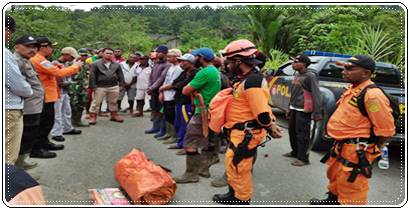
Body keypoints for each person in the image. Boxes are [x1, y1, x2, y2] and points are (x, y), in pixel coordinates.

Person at [310, 55, 395, 205]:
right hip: (342, 146)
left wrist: (372, 149)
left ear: (366, 73)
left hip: (357, 150)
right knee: (336, 177)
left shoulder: (372, 95)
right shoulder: (353, 89)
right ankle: (332, 201)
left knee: (352, 188)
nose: (344, 71)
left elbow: (386, 130)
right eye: (344, 67)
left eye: (349, 68)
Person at [212, 39, 282, 204]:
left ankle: (241, 201)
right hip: (238, 132)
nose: (227, 66)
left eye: (229, 62)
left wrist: (271, 126)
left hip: (246, 134)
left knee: (239, 168)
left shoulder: (253, 81)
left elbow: (262, 114)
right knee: (233, 165)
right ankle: (232, 195)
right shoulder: (245, 78)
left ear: (238, 61)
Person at [30, 36, 83, 158]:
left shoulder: (42, 59)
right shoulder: (39, 60)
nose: (52, 49)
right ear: (43, 47)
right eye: (51, 46)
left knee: (48, 121)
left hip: (49, 95)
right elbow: (58, 73)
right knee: (44, 123)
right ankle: (37, 148)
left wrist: (54, 65)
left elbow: (52, 71)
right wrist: (76, 66)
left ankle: (44, 143)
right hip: (44, 96)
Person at [174, 47, 221, 183]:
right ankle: (203, 167)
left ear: (201, 57)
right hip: (210, 110)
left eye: (195, 56)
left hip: (202, 111)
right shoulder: (215, 71)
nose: (194, 59)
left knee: (191, 141)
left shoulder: (204, 72)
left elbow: (185, 90)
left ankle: (191, 174)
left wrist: (190, 87)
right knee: (206, 139)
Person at [282, 54, 322, 166]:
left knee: (302, 134)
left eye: (296, 62)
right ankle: (295, 152)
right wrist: (288, 107)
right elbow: (294, 93)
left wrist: (317, 112)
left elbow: (316, 93)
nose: (293, 64)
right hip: (294, 107)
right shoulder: (297, 75)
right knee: (292, 131)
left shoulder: (310, 76)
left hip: (303, 109)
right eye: (293, 62)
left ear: (304, 64)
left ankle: (303, 158)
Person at [4, 16, 34, 165]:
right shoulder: (4, 55)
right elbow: (19, 86)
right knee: (7, 158)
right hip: (8, 110)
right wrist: (29, 91)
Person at [13, 35, 43, 169]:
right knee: (23, 136)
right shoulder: (15, 61)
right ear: (16, 47)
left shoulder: (26, 60)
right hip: (26, 106)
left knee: (29, 135)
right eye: (28, 46)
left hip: (33, 106)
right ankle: (16, 166)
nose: (33, 50)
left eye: (34, 47)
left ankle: (21, 161)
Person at [166, 54, 198, 155]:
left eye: (184, 61)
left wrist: (176, 85)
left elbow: (182, 85)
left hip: (187, 102)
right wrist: (176, 85)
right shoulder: (184, 72)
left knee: (186, 125)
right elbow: (176, 83)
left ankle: (186, 145)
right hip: (179, 101)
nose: (182, 63)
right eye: (181, 61)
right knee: (178, 123)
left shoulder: (194, 73)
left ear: (191, 63)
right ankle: (180, 142)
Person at [49, 47, 82, 142]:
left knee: (67, 110)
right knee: (57, 113)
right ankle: (56, 133)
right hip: (57, 91)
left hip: (65, 91)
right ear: (66, 55)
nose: (72, 59)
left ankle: (67, 128)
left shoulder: (67, 64)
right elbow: (58, 77)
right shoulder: (55, 63)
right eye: (71, 57)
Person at [88, 48, 125, 124]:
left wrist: (121, 85)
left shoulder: (116, 65)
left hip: (113, 86)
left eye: (111, 53)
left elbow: (120, 75)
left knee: (113, 102)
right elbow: (92, 76)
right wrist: (93, 86)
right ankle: (93, 117)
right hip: (100, 86)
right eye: (107, 53)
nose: (109, 55)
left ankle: (114, 115)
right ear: (102, 54)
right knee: (96, 102)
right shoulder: (95, 64)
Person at [158, 48, 183, 142]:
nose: (167, 58)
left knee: (172, 116)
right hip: (166, 94)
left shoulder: (178, 68)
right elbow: (166, 80)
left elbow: (173, 83)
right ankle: (168, 133)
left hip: (172, 95)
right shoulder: (171, 67)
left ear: (176, 57)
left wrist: (162, 89)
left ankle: (174, 136)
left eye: (170, 56)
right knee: (166, 115)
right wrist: (161, 92)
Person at [145, 46, 171, 134]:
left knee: (160, 110)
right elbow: (151, 76)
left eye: (158, 52)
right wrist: (149, 87)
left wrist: (152, 87)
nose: (156, 54)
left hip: (160, 90)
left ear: (164, 53)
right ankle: (155, 127)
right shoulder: (156, 63)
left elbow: (161, 78)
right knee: (154, 109)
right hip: (153, 90)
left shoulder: (167, 64)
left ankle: (161, 129)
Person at [70, 48, 90, 127]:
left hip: (83, 87)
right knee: (73, 104)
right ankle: (71, 121)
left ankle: (78, 121)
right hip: (74, 87)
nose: (83, 57)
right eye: (82, 55)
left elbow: (87, 76)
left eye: (85, 55)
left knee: (82, 103)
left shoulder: (86, 64)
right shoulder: (72, 63)